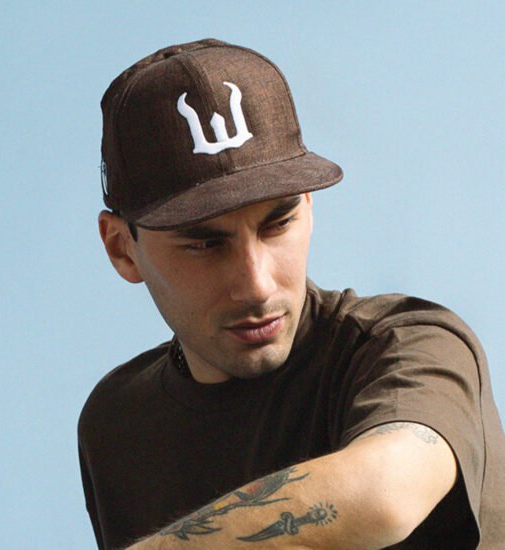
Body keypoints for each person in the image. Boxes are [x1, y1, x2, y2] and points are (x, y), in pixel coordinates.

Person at [78, 38, 505, 549]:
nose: (256, 285)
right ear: (122, 248)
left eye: (278, 223)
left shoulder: (408, 346)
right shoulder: (117, 424)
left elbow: (386, 494)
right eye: (205, 244)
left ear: (308, 204)